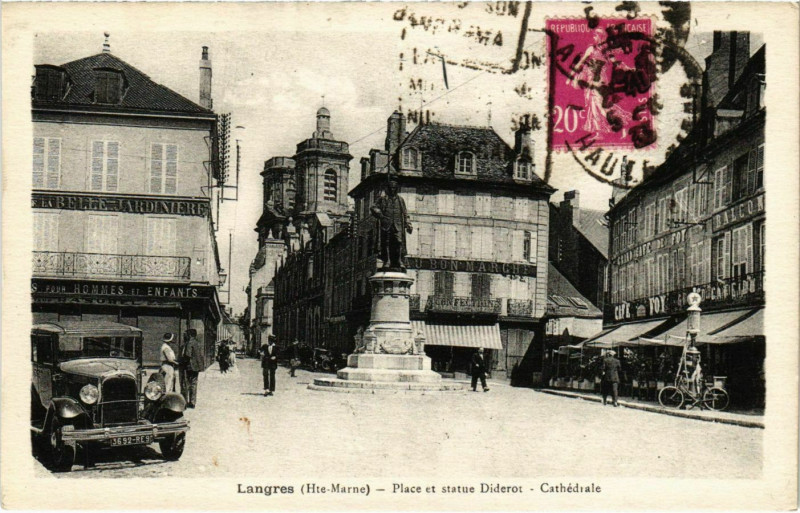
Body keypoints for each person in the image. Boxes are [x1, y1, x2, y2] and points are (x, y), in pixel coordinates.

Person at [370, 179, 413, 270]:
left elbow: (405, 213)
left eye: (394, 188)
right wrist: (380, 214)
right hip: (386, 224)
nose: (392, 189)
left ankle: (399, 260)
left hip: (398, 224)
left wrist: (408, 223)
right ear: (388, 189)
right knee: (387, 242)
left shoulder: (400, 200)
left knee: (399, 242)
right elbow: (373, 207)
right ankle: (387, 261)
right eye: (391, 188)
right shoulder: (382, 199)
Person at [182, 329, 202, 408]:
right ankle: (193, 402)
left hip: (189, 366)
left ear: (190, 335)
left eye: (186, 334)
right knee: (194, 384)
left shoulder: (189, 343)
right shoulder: (198, 343)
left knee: (186, 384)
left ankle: (185, 402)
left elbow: (188, 355)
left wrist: (182, 361)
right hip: (196, 367)